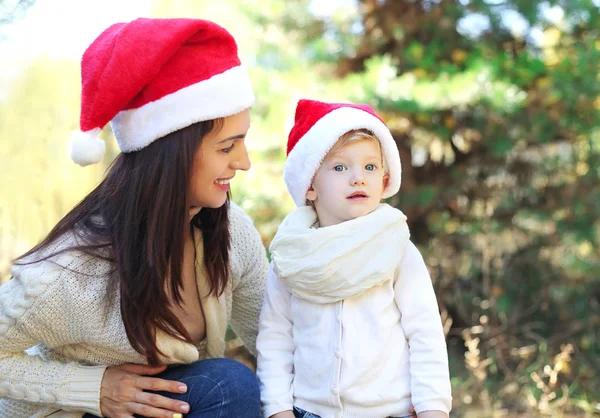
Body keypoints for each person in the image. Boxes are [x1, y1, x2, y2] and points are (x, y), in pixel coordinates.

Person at [0, 18, 268, 418]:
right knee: (231, 384)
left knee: (240, 388)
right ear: (171, 154)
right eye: (228, 146)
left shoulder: (230, 233)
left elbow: (275, 336)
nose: (243, 162)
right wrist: (94, 388)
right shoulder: (73, 270)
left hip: (161, 407)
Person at [256, 99, 452, 418]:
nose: (358, 178)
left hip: (389, 410)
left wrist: (433, 407)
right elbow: (275, 338)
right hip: (309, 410)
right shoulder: (291, 257)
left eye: (370, 167)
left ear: (384, 179)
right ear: (310, 186)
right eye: (340, 167)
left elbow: (424, 332)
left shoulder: (396, 248)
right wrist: (278, 408)